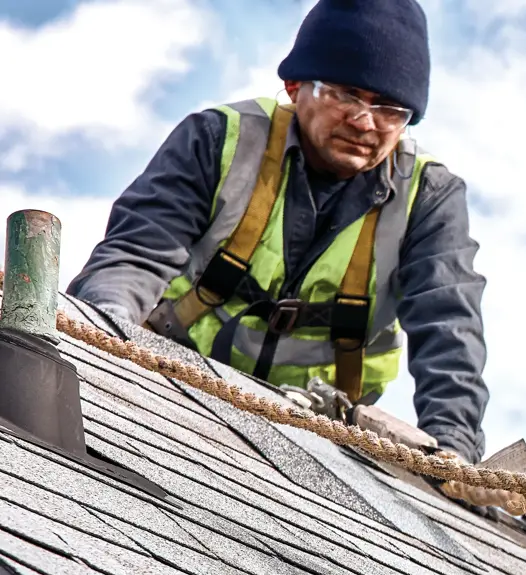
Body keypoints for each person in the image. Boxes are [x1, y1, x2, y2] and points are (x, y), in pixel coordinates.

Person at [69, 0, 488, 461]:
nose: (365, 121)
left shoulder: (429, 197)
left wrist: (453, 451)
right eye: (346, 94)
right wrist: (99, 345)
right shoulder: (218, 139)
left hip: (319, 438)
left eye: (390, 108)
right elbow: (135, 256)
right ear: (294, 87)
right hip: (171, 383)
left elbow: (449, 326)